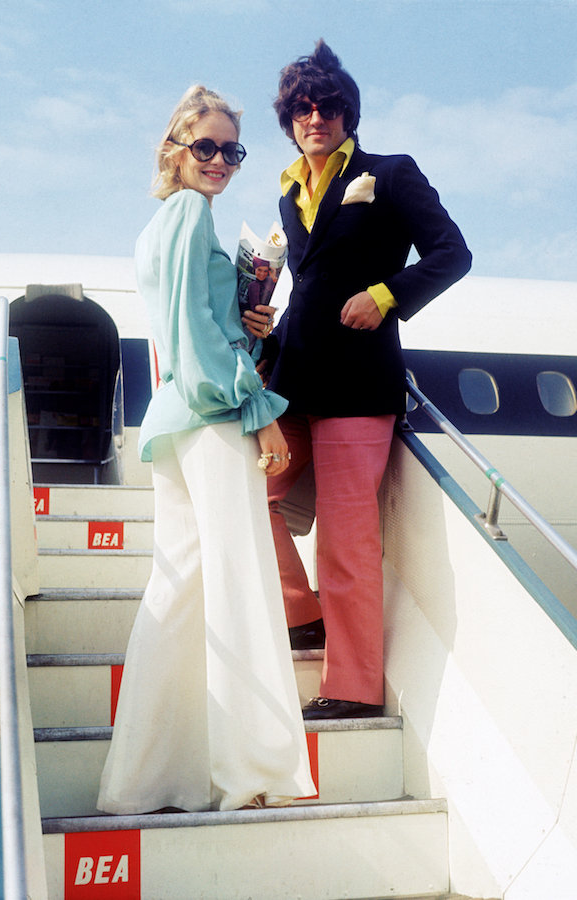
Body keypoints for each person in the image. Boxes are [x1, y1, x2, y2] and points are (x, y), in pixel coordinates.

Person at [97, 85, 315, 813]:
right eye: (206, 147)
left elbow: (193, 324)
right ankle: (251, 774)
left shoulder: (158, 225)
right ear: (176, 149)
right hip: (214, 416)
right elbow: (192, 338)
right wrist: (260, 412)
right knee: (239, 586)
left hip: (176, 421)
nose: (221, 160)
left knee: (181, 589)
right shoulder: (191, 214)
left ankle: (146, 778)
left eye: (232, 150)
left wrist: (249, 321)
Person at [244, 41, 472, 720]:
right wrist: (264, 327)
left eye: (329, 106)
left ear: (348, 114)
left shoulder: (391, 173)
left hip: (357, 384)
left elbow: (452, 253)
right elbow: (307, 282)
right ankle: (301, 613)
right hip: (288, 376)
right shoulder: (288, 190)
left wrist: (387, 293)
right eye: (303, 108)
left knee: (347, 539)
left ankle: (351, 684)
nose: (317, 116)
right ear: (289, 119)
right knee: (245, 496)